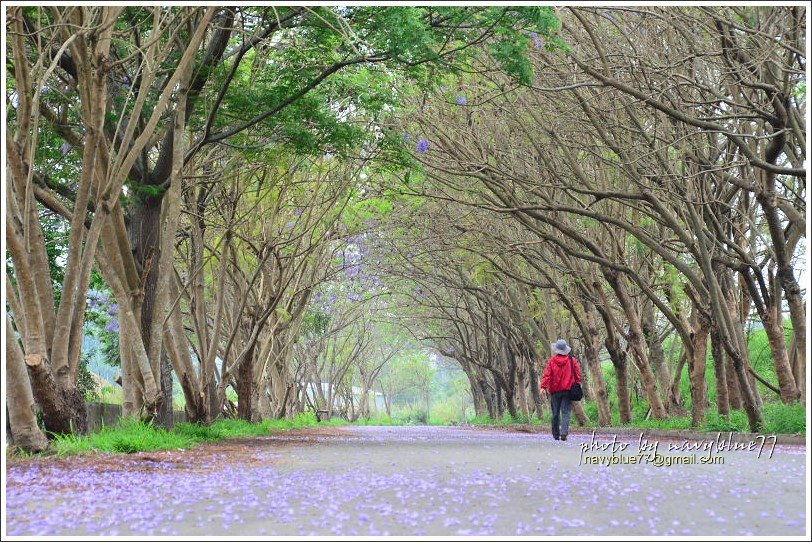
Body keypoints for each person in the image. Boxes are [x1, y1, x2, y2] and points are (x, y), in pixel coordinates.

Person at [540, 339, 582, 441]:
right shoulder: (572, 360)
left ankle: (555, 435)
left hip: (554, 391)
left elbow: (547, 375)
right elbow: (577, 375)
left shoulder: (551, 361)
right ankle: (564, 433)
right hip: (567, 391)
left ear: (556, 350)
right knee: (566, 412)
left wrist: (543, 387)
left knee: (555, 413)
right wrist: (578, 383)